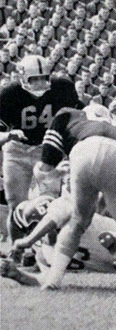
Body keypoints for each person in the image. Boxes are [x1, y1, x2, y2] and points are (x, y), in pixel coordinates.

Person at [29, 104, 116, 290]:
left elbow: (45, 166)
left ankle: (53, 279)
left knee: (77, 222)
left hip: (82, 150)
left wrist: (47, 177)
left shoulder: (68, 114)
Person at [0, 55, 82, 241]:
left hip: (47, 152)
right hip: (17, 151)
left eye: (43, 78)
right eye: (33, 79)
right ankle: (17, 250)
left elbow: (80, 116)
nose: (39, 83)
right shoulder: (9, 94)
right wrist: (9, 135)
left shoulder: (61, 88)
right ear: (22, 78)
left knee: (49, 204)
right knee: (17, 206)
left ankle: (49, 250)